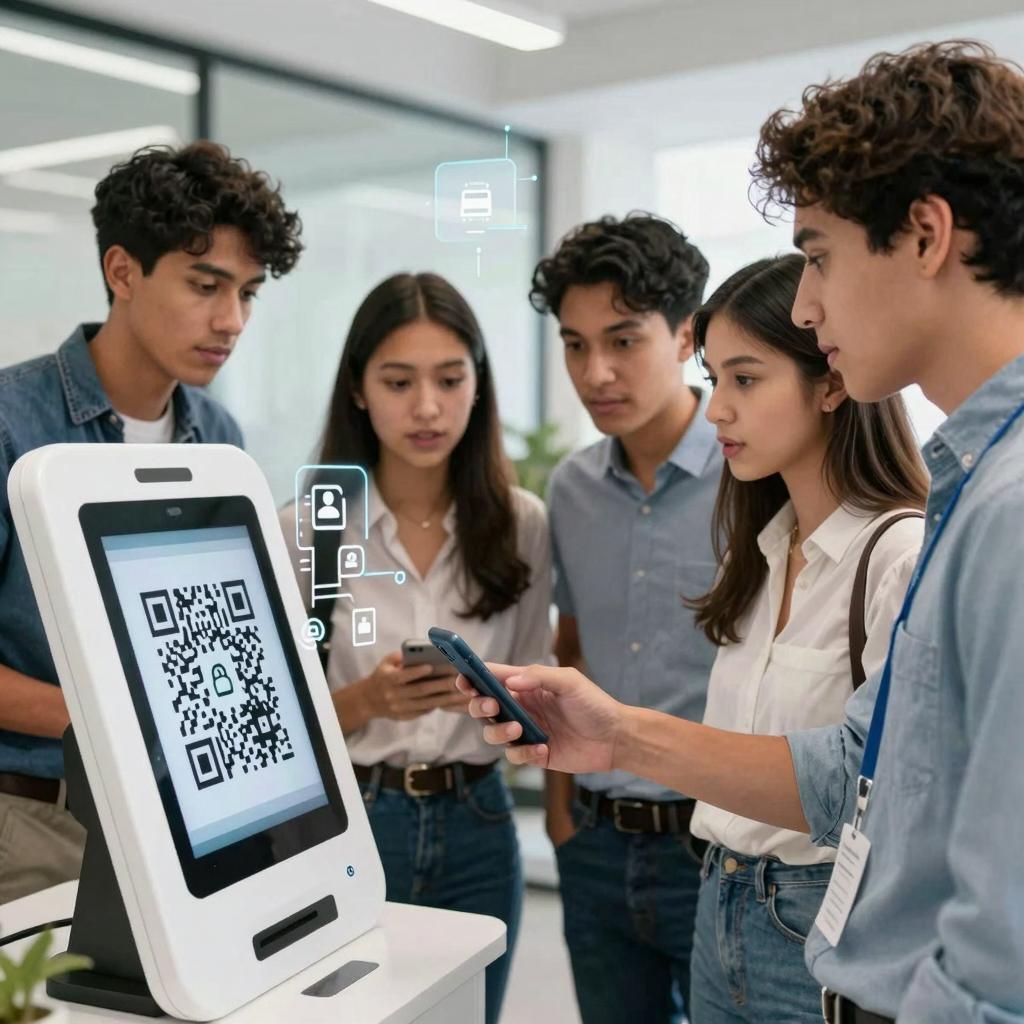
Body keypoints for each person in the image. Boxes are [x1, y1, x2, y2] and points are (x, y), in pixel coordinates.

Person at [462, 40, 1024, 1023]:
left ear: (926, 235)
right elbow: (857, 769)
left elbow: (1002, 946)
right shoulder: (969, 491)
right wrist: (617, 732)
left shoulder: (1004, 510)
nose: (808, 302)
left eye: (817, 256)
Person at [0, 141, 302, 906]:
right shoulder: (11, 427)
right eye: (206, 285)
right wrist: (111, 717)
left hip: (187, 815)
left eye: (248, 293)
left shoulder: (221, 439)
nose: (230, 320)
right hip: (36, 820)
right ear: (122, 271)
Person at [281, 272, 552, 1024]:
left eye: (449, 379)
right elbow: (277, 733)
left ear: (478, 385)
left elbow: (534, 676)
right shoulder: (307, 530)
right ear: (360, 391)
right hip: (351, 824)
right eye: (399, 381)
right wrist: (368, 701)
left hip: (480, 823)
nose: (427, 407)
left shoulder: (520, 523)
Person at [684, 254, 927, 1022]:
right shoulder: (755, 554)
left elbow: (881, 789)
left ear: (829, 382)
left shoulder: (900, 556)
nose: (716, 410)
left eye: (745, 380)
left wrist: (623, 736)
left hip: (820, 920)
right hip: (715, 897)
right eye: (712, 378)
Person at [531, 213, 719, 1024]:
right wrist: (561, 812)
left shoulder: (758, 474)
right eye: (574, 344)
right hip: (597, 846)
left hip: (719, 851)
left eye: (622, 340)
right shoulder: (568, 490)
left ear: (685, 336)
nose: (595, 371)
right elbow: (569, 649)